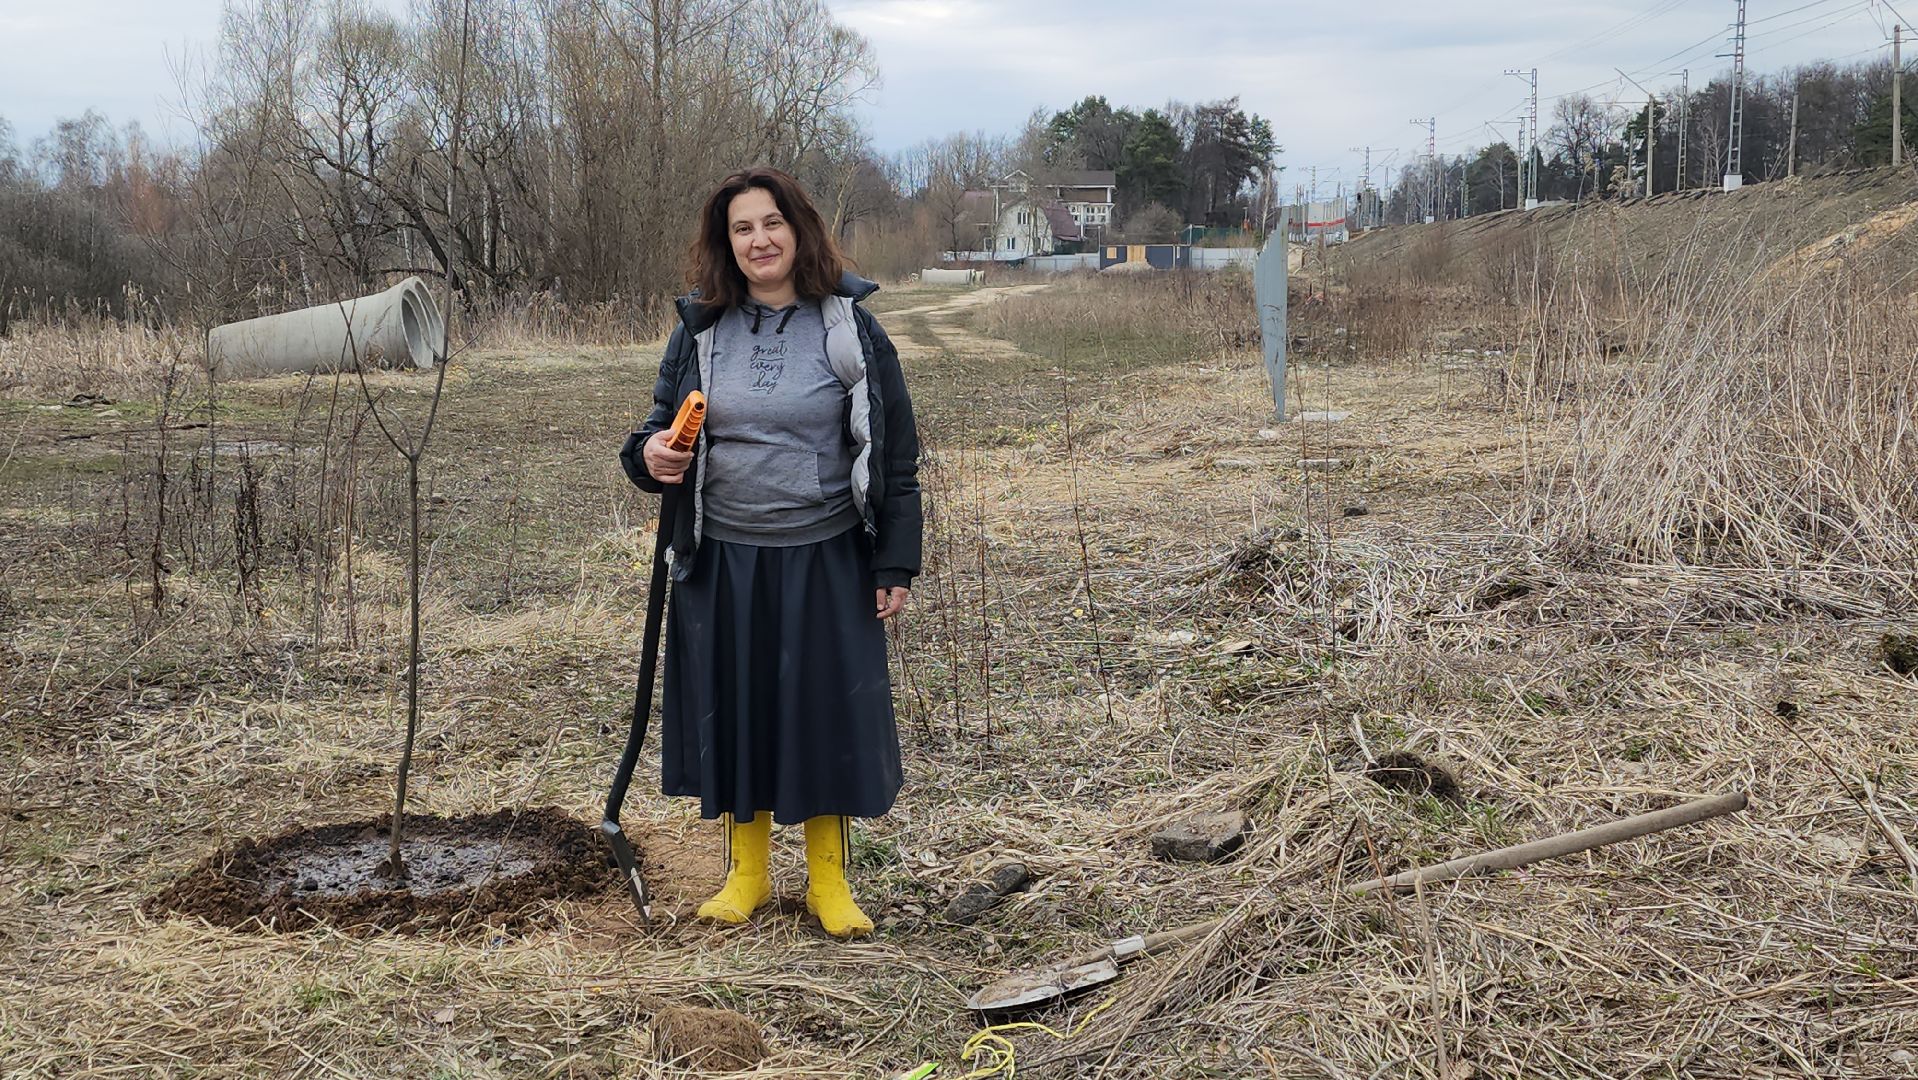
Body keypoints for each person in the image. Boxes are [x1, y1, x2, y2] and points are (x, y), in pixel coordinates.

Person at [618, 166, 922, 939]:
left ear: (800, 229)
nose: (759, 240)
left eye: (772, 223)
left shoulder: (849, 326)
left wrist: (894, 563)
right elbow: (655, 432)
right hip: (722, 558)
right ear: (727, 244)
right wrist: (648, 455)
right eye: (742, 228)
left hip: (824, 555)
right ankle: (746, 877)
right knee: (741, 711)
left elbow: (895, 456)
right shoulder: (699, 330)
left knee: (822, 717)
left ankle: (829, 884)